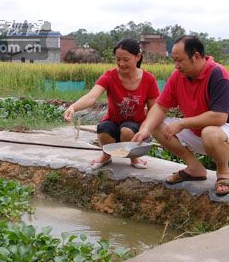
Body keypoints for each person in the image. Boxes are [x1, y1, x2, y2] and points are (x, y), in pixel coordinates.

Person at [132, 35, 229, 196]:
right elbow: (161, 107)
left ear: (196, 56)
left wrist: (182, 123)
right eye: (174, 61)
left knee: (209, 132)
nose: (176, 66)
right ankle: (194, 168)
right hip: (201, 132)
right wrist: (144, 129)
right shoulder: (178, 76)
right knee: (155, 124)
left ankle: (224, 174)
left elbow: (219, 117)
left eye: (180, 60)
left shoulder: (218, 74)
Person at [64, 39, 160, 170]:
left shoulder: (149, 79)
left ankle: (134, 157)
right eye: (118, 59)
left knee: (126, 130)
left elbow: (154, 109)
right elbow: (92, 96)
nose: (121, 63)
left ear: (137, 57)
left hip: (135, 126)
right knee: (103, 128)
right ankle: (106, 155)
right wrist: (73, 107)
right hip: (113, 122)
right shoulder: (109, 76)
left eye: (126, 60)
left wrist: (146, 128)